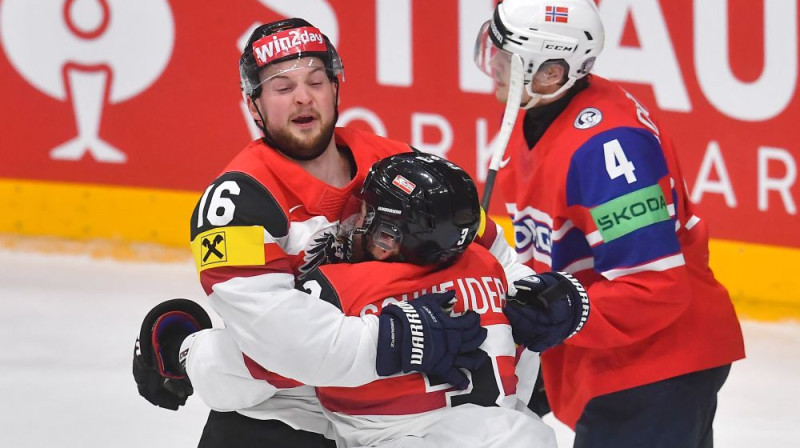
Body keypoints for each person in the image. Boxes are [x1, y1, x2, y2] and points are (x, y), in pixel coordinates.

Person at [132, 17, 577, 448]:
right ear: (254, 105)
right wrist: (390, 338)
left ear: (336, 87)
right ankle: (186, 352)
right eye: (283, 88)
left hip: (400, 402)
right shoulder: (236, 203)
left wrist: (533, 298)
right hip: (289, 407)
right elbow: (283, 342)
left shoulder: (398, 162)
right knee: (232, 372)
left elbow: (485, 250)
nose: (303, 98)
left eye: (316, 82)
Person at [474, 1, 746, 447]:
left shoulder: (607, 146)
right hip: (615, 352)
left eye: (508, 56)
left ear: (550, 73)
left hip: (657, 362)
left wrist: (562, 315)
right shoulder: (540, 118)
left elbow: (655, 285)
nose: (494, 65)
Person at [161, 153, 568, 447]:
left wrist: (186, 347)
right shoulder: (489, 269)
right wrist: (569, 298)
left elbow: (259, 363)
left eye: (368, 215)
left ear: (390, 239)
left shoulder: (346, 289)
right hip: (520, 435)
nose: (354, 222)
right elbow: (533, 300)